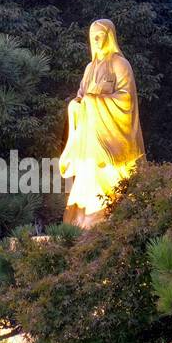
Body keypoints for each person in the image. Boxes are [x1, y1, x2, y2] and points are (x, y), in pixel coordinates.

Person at [57, 19, 145, 227]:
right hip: (90, 142)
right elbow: (80, 95)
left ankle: (110, 221)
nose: (96, 40)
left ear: (109, 37)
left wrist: (92, 101)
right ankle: (81, 223)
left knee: (113, 193)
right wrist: (77, 105)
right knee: (86, 189)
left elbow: (127, 100)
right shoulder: (89, 68)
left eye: (100, 35)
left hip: (112, 143)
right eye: (92, 36)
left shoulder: (120, 65)